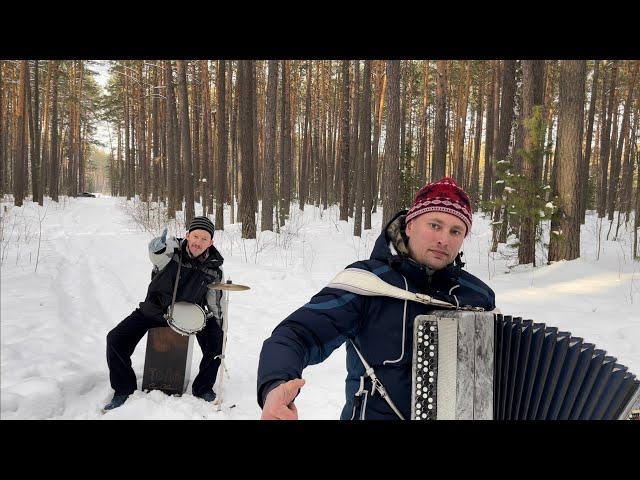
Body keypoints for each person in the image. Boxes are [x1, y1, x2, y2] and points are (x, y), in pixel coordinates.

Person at [257, 177, 496, 420]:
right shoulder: (367, 282)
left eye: (455, 231)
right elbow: (296, 334)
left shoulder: (477, 296)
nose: (444, 239)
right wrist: (275, 384)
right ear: (409, 225)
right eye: (435, 225)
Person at [104, 216, 225, 411]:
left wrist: (220, 325)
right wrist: (157, 246)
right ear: (187, 235)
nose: (198, 242)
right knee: (116, 339)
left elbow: (214, 302)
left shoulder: (214, 269)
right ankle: (123, 388)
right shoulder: (172, 250)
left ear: (211, 242)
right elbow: (157, 254)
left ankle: (203, 388)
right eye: (195, 236)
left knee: (217, 341)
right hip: (156, 309)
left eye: (204, 238)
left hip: (189, 315)